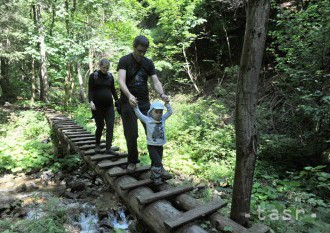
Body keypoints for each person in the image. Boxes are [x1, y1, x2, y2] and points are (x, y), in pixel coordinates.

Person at [117, 35, 170, 173]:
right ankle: (132, 161)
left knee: (154, 133)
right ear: (134, 46)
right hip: (128, 102)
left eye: (144, 51)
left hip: (145, 103)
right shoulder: (124, 60)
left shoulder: (148, 63)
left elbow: (156, 81)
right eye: (139, 50)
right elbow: (121, 80)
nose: (141, 54)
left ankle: (157, 165)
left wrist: (162, 94)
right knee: (131, 133)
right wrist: (129, 96)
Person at [133, 100, 173, 185]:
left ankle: (153, 175)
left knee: (155, 162)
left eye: (160, 112)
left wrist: (167, 104)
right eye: (156, 112)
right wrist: (135, 107)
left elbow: (170, 112)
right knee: (158, 162)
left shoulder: (163, 119)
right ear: (151, 112)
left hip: (160, 146)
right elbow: (139, 115)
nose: (159, 114)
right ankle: (157, 178)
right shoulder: (148, 120)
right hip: (152, 146)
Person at [88, 58, 119, 155]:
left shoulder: (110, 77)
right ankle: (97, 144)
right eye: (104, 67)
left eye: (107, 68)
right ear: (100, 66)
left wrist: (117, 100)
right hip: (97, 107)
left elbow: (113, 89)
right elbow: (90, 90)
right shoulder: (93, 76)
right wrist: (91, 101)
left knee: (110, 125)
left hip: (109, 106)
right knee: (100, 126)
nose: (105, 69)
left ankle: (108, 148)